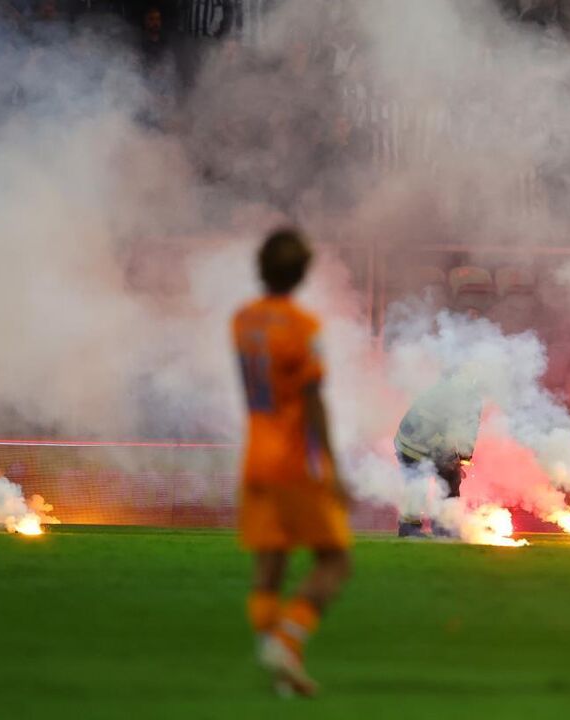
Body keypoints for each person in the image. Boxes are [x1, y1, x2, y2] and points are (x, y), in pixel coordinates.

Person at [233, 229, 352, 698]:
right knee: (335, 561)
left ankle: (280, 667)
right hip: (292, 461)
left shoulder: (242, 322)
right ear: (302, 273)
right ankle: (286, 640)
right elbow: (312, 400)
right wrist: (333, 467)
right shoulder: (303, 327)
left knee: (269, 567)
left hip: (255, 457)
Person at [395, 372, 484, 538]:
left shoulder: (470, 399)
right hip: (414, 443)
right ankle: (410, 529)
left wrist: (464, 457)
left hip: (427, 443)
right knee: (417, 482)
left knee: (451, 478)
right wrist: (450, 456)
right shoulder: (440, 397)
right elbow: (430, 429)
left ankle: (444, 526)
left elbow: (470, 429)